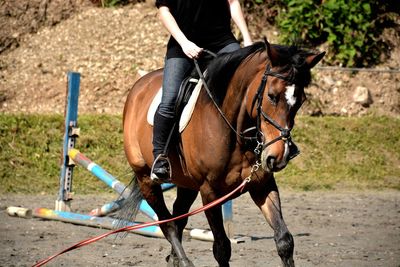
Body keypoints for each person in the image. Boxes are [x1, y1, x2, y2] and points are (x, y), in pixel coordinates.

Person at [151, 0, 253, 182]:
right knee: (170, 100)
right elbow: (164, 11)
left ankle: (268, 142)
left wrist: (247, 38)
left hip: (223, 43)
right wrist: (184, 43)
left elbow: (233, 2)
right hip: (182, 47)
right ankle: (160, 157)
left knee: (249, 84)